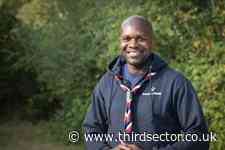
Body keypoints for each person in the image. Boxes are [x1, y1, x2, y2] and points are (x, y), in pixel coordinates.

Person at [83, 15, 209, 150]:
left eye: (141, 39)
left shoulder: (175, 83)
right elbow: (91, 129)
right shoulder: (107, 83)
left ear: (152, 42)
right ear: (120, 42)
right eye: (126, 39)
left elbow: (199, 136)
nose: (132, 44)